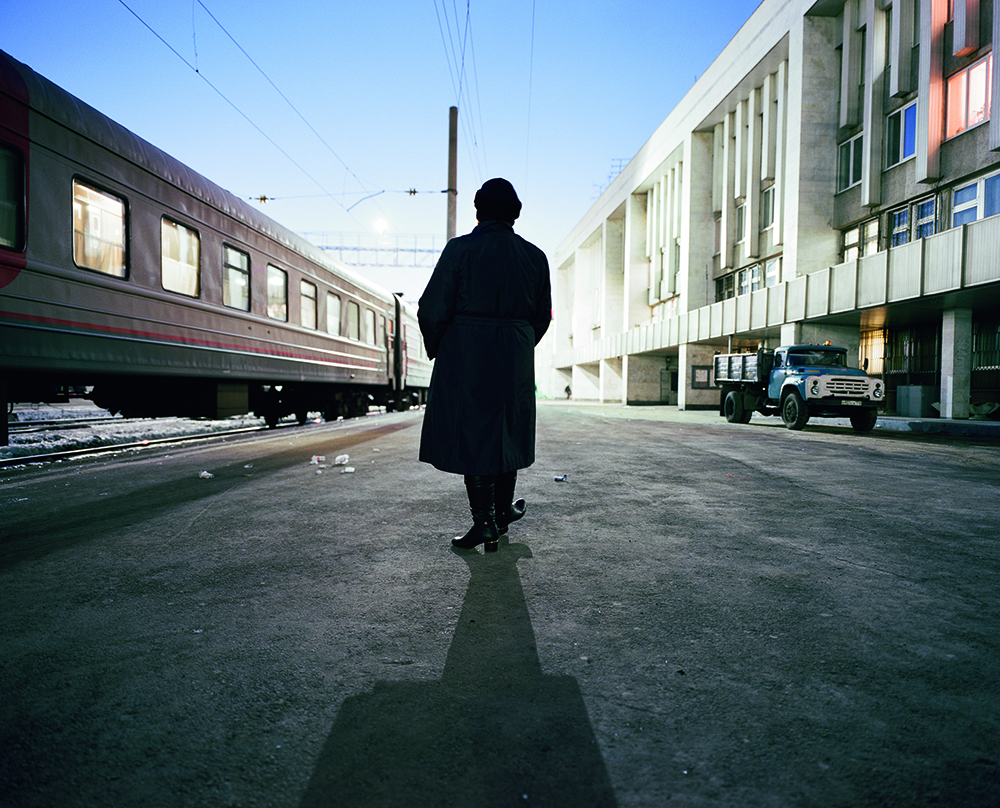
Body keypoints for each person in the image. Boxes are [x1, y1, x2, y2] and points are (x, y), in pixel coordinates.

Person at [418, 178, 552, 552]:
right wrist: (520, 344)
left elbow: (431, 308)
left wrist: (443, 348)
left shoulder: (460, 250)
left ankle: (485, 523)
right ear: (516, 213)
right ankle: (502, 512)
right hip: (515, 354)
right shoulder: (535, 256)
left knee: (474, 432)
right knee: (506, 431)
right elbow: (542, 316)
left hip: (468, 354)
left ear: (477, 209)